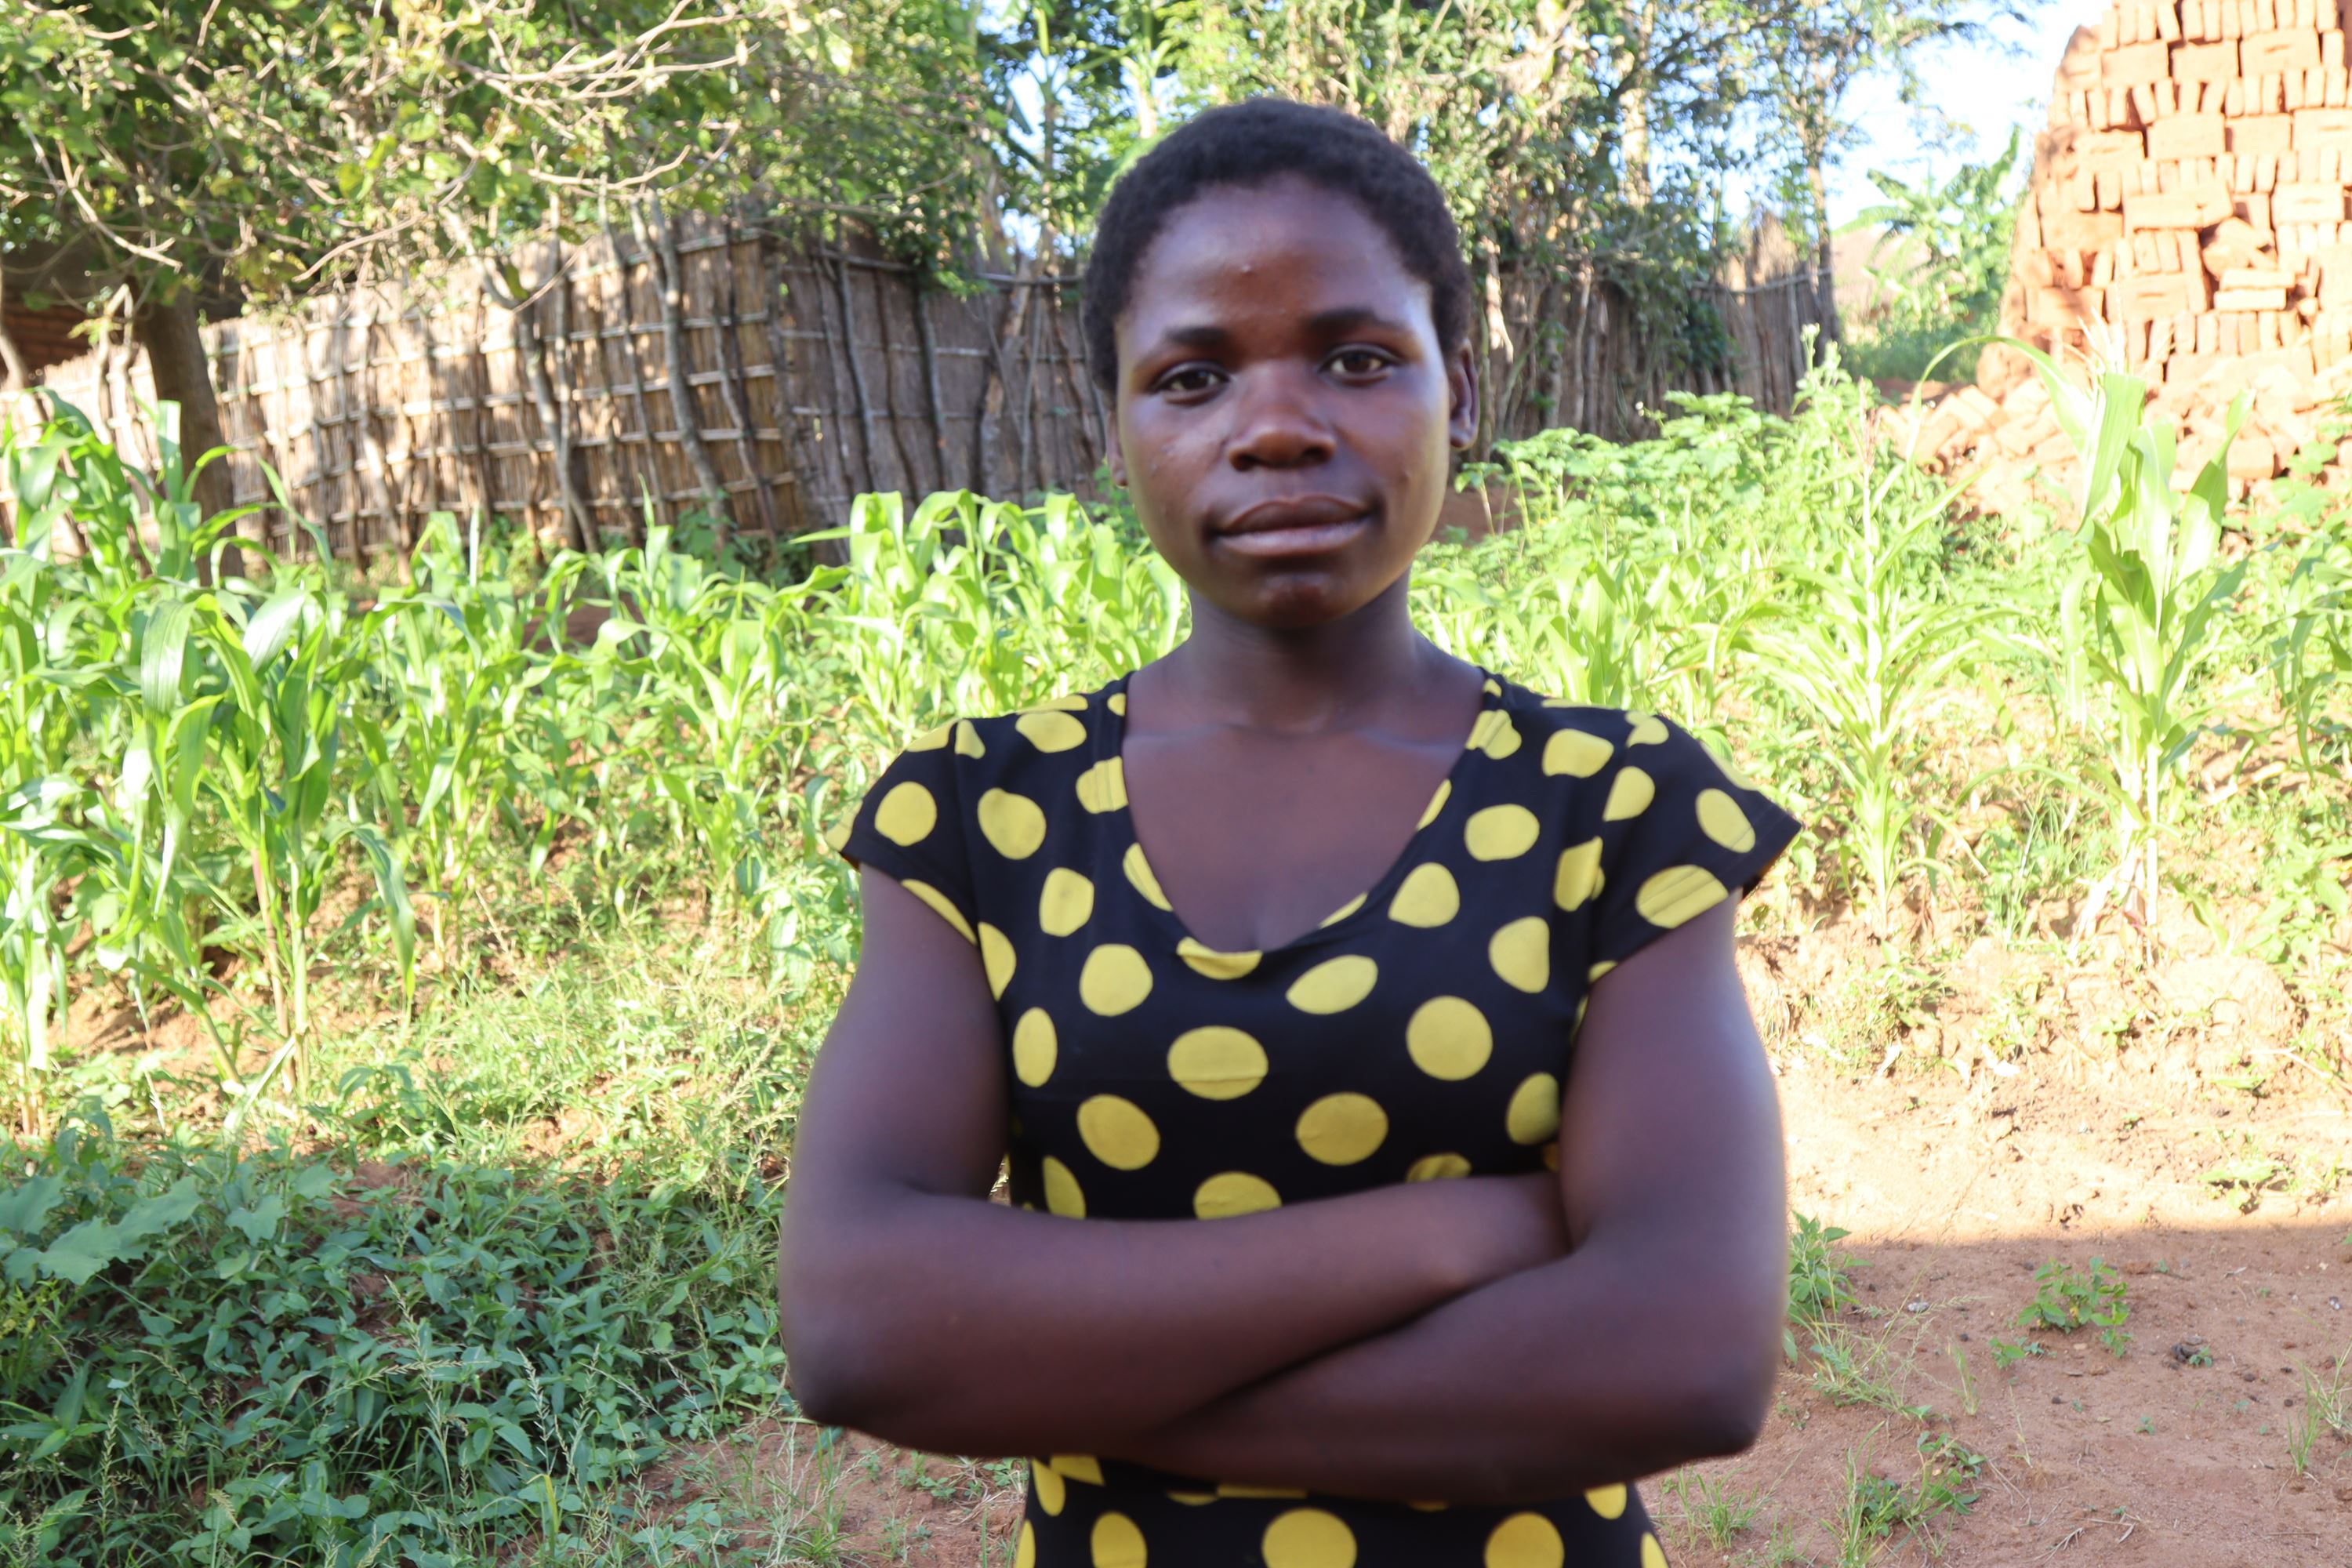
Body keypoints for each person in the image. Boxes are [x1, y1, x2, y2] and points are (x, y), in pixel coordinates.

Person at [778, 96, 1802, 1567]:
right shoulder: (980, 816)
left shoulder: (1613, 803)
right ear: (1111, 427)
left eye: (1359, 358)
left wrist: (1073, 1377)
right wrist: (1457, 1235)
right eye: (1191, 377)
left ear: (1463, 391)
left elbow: (1683, 1356)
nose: (1275, 427)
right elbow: (859, 1324)